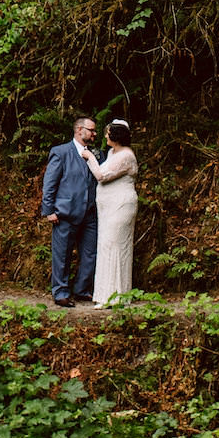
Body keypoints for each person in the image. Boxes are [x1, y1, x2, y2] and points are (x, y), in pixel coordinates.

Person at [40, 116, 100, 307]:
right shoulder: (61, 152)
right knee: (62, 254)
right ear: (79, 130)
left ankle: (82, 290)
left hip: (90, 213)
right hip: (65, 213)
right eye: (91, 130)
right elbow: (50, 183)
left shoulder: (95, 153)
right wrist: (49, 210)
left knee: (90, 254)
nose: (94, 134)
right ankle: (60, 293)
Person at [91, 119, 138, 306]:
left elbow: (102, 175)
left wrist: (90, 158)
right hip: (107, 208)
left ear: (116, 136)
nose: (105, 136)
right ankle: (104, 295)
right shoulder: (112, 152)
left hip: (121, 205)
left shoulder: (126, 156)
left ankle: (118, 297)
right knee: (106, 246)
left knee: (116, 246)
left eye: (108, 133)